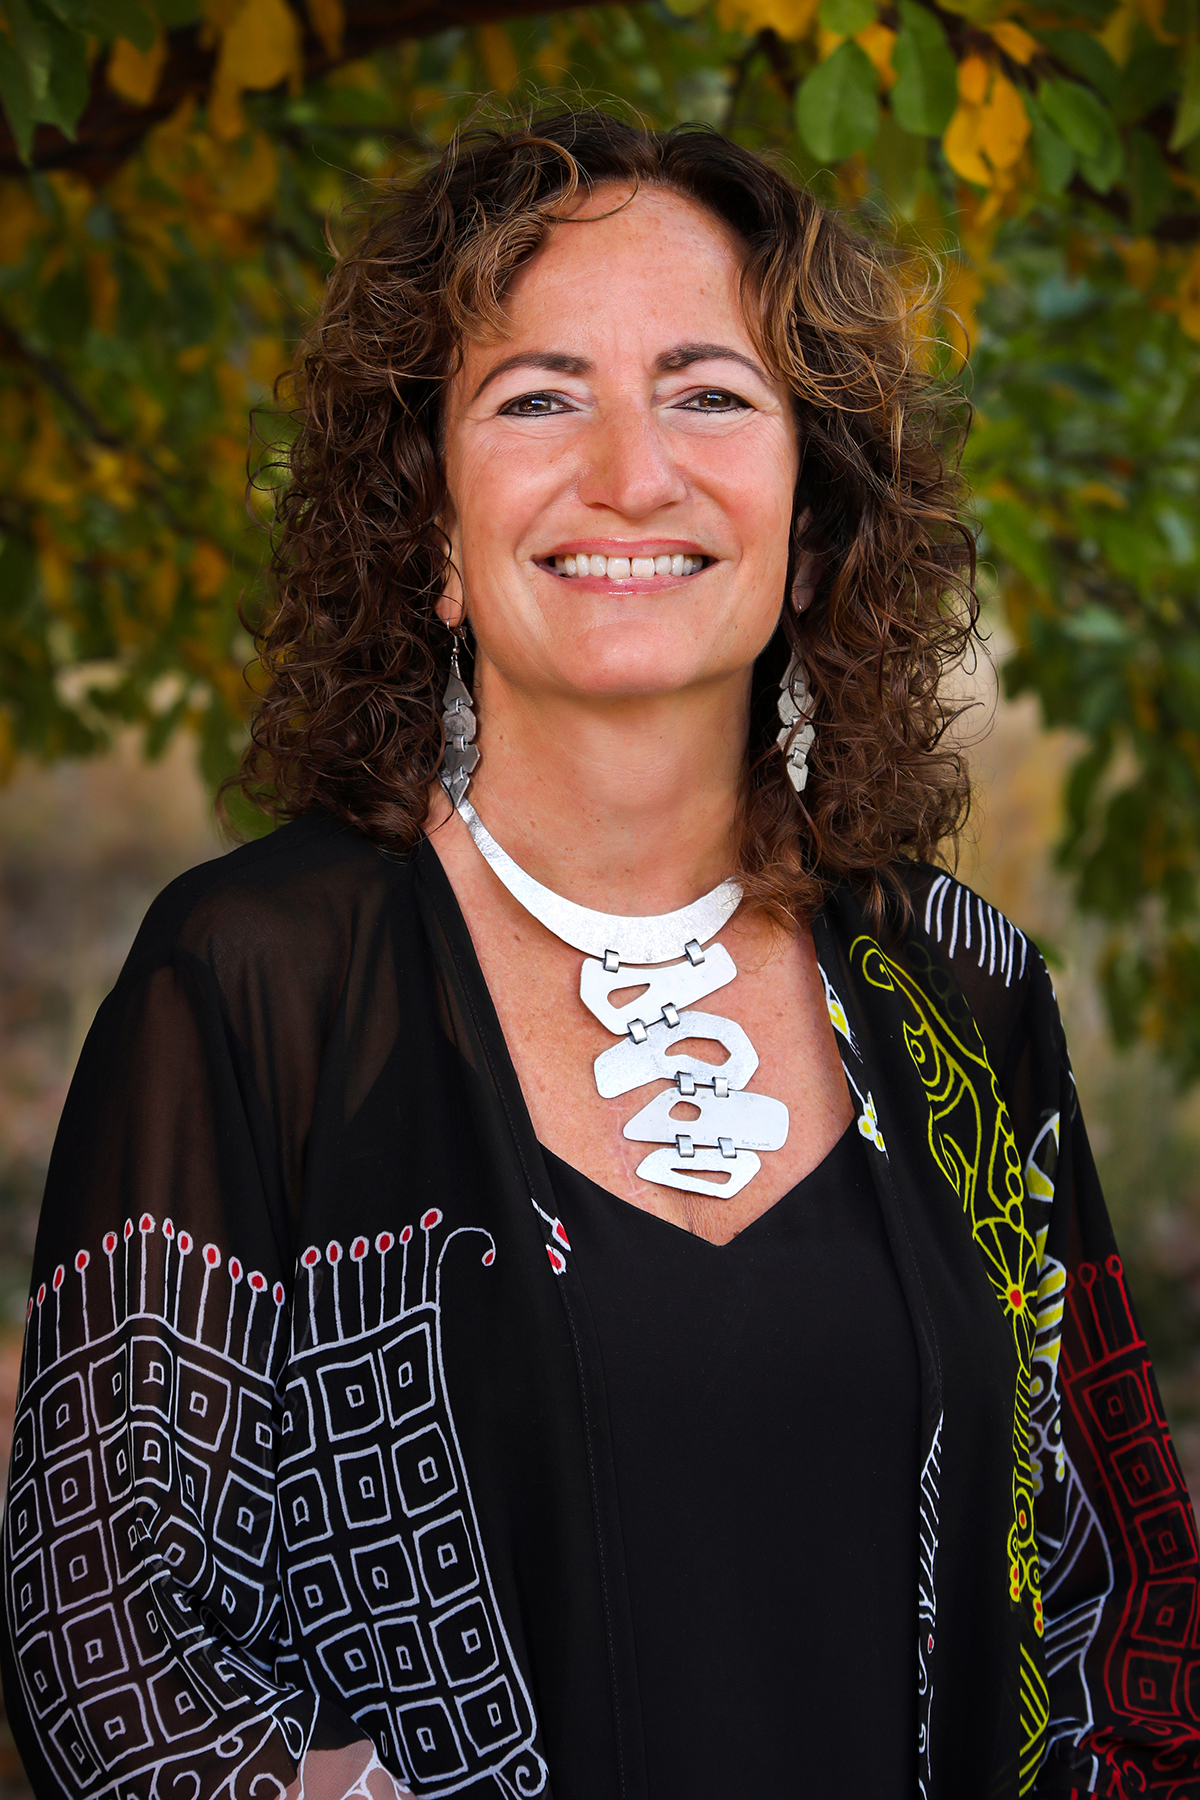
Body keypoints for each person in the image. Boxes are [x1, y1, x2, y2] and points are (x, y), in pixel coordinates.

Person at [2, 106, 1198, 1800]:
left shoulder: (962, 984)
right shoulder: (252, 981)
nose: (632, 473)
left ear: (813, 520)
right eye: (538, 397)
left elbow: (1122, 1601)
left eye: (709, 394)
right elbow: (105, 1647)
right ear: (429, 525)